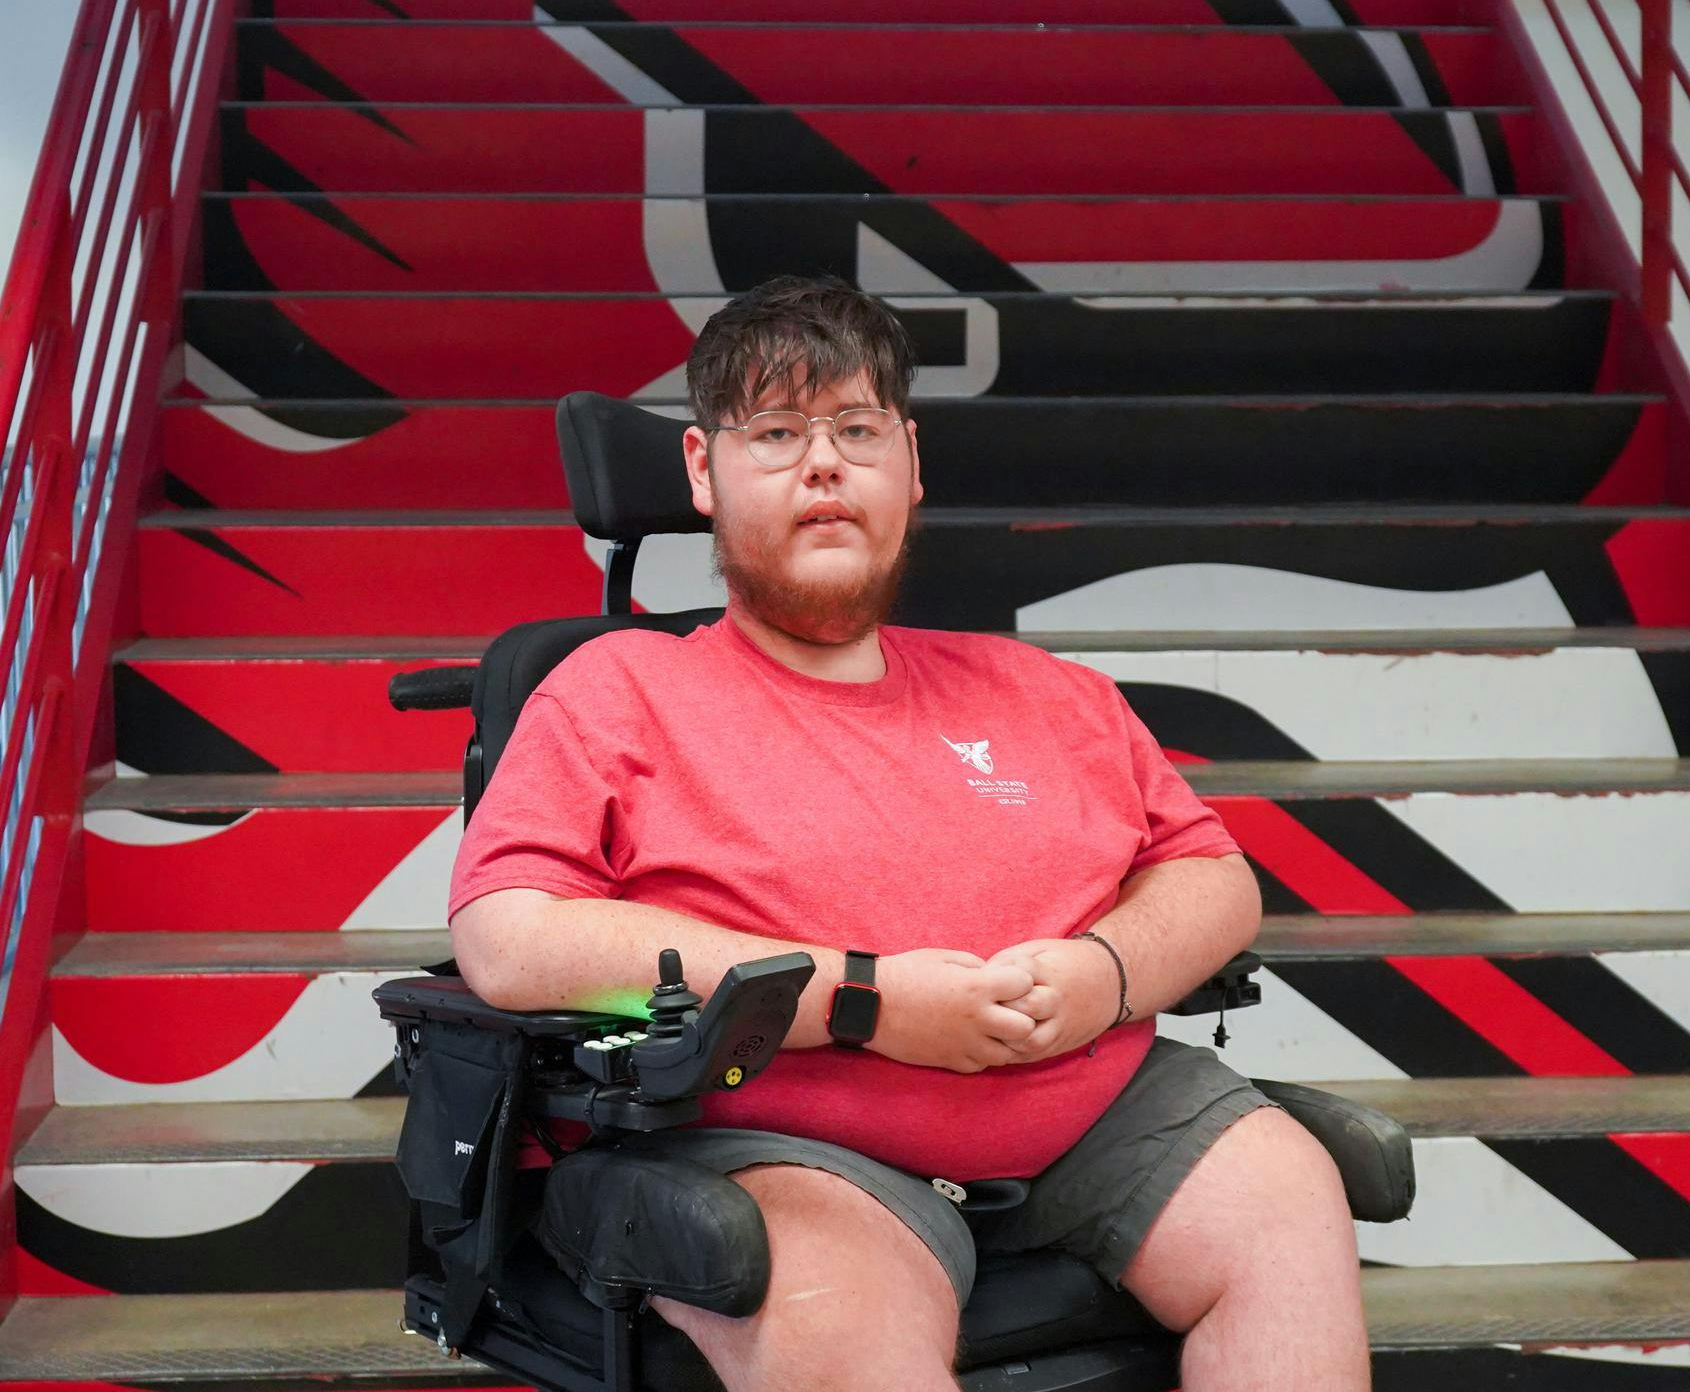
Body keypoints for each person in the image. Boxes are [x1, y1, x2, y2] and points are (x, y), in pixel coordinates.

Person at [447, 276, 1368, 1390]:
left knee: (1283, 1198)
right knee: (841, 1313)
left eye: (854, 428)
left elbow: (1210, 875)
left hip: (1093, 1109)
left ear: (909, 463)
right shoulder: (618, 691)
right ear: (702, 469)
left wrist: (1103, 975)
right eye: (777, 431)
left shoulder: (1046, 690)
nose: (822, 462)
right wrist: (865, 1001)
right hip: (787, 1143)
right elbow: (509, 936)